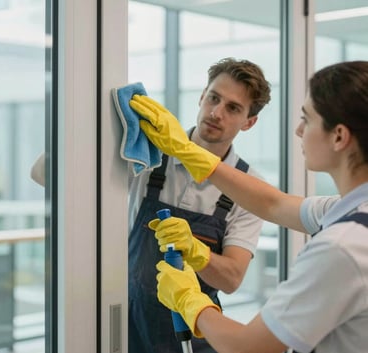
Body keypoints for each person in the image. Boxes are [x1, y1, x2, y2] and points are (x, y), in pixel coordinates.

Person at [130, 60, 368, 353]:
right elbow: (274, 203)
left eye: (307, 119)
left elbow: (250, 347)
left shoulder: (342, 247)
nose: (298, 130)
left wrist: (189, 300)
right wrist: (188, 151)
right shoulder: (349, 209)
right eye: (214, 98)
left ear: (339, 136)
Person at [128, 57, 271, 353]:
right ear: (202, 96)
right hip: (126, 326)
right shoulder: (148, 157)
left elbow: (232, 279)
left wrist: (196, 250)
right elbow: (48, 177)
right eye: (213, 98)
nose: (216, 113)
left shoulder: (249, 188)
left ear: (249, 121)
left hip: (195, 335)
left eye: (233, 108)